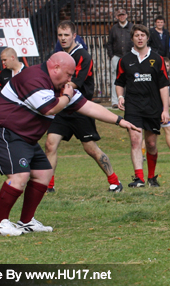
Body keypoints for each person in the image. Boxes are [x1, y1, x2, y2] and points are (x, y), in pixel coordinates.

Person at [0, 52, 139, 236]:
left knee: (44, 173)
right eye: (69, 74)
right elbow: (49, 108)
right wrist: (66, 97)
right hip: (0, 131)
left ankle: (26, 222)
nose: (70, 80)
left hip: (23, 137)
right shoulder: (34, 78)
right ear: (55, 68)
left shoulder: (60, 87)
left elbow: (89, 106)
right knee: (20, 175)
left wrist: (120, 121)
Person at [45, 20, 123, 193]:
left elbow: (74, 84)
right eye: (60, 35)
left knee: (90, 148)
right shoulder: (57, 55)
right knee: (50, 144)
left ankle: (115, 182)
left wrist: (56, 87)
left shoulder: (83, 56)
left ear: (74, 36)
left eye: (66, 35)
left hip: (80, 108)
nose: (63, 38)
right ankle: (48, 186)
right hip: (62, 108)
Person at [115, 24, 170, 188]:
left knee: (151, 144)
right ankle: (138, 178)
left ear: (147, 37)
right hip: (133, 107)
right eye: (136, 35)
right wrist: (120, 96)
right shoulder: (124, 60)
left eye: (142, 35)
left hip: (153, 107)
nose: (140, 38)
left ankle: (152, 177)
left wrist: (165, 110)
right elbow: (119, 82)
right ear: (132, 38)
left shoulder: (157, 59)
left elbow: (163, 85)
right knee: (135, 140)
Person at [106, 9, 133, 109]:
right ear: (117, 17)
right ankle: (115, 101)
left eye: (123, 14)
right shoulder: (114, 28)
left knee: (130, 77)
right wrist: (111, 56)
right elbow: (109, 43)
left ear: (127, 15)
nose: (122, 16)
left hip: (129, 56)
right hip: (116, 56)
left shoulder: (132, 27)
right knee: (115, 78)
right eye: (119, 15)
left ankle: (129, 100)